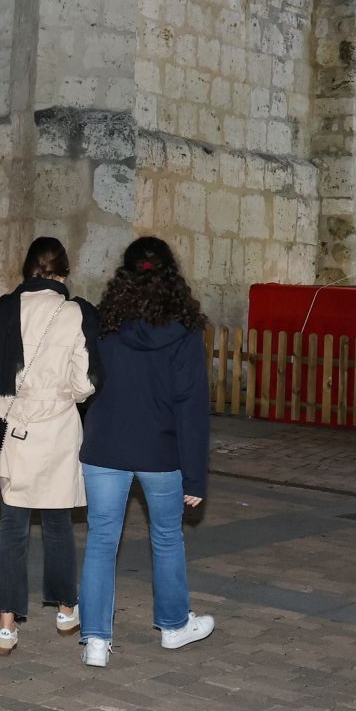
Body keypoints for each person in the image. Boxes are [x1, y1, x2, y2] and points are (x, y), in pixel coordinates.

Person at [75, 236, 214, 669]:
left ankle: (95, 641)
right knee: (168, 538)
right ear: (171, 277)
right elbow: (192, 409)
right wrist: (195, 476)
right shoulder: (185, 335)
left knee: (100, 541)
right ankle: (173, 626)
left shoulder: (105, 327)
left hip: (105, 447)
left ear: (125, 276)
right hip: (161, 452)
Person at [0, 237, 95, 655]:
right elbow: (83, 385)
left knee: (13, 529)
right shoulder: (74, 312)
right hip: (59, 432)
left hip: (17, 429)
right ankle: (66, 610)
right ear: (62, 271)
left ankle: (6, 626)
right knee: (60, 525)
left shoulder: (4, 307)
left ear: (28, 269)